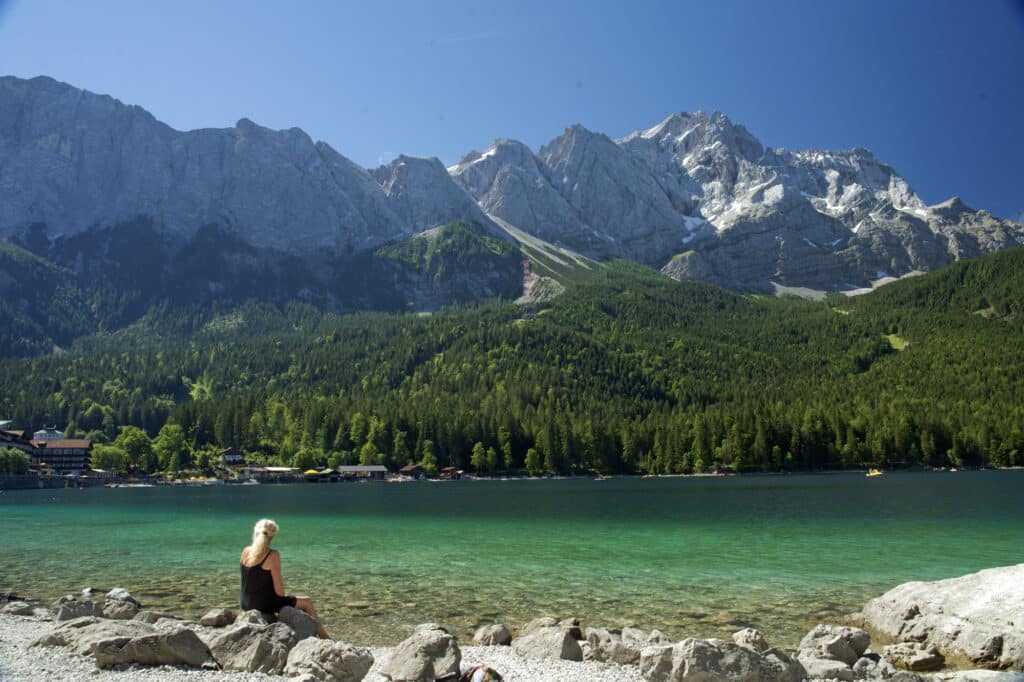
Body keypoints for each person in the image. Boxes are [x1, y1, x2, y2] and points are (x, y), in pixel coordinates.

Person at [240, 518, 329, 638]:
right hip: (263, 606)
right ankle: (325, 637)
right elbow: (280, 593)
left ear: (255, 533)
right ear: (272, 537)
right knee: (307, 602)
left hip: (245, 604)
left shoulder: (245, 551)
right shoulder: (272, 555)